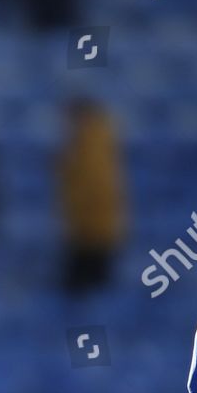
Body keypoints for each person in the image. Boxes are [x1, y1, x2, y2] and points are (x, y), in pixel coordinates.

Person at [58, 98, 126, 294]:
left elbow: (93, 188)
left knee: (87, 290)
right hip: (92, 230)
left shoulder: (91, 143)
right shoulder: (90, 141)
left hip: (92, 233)